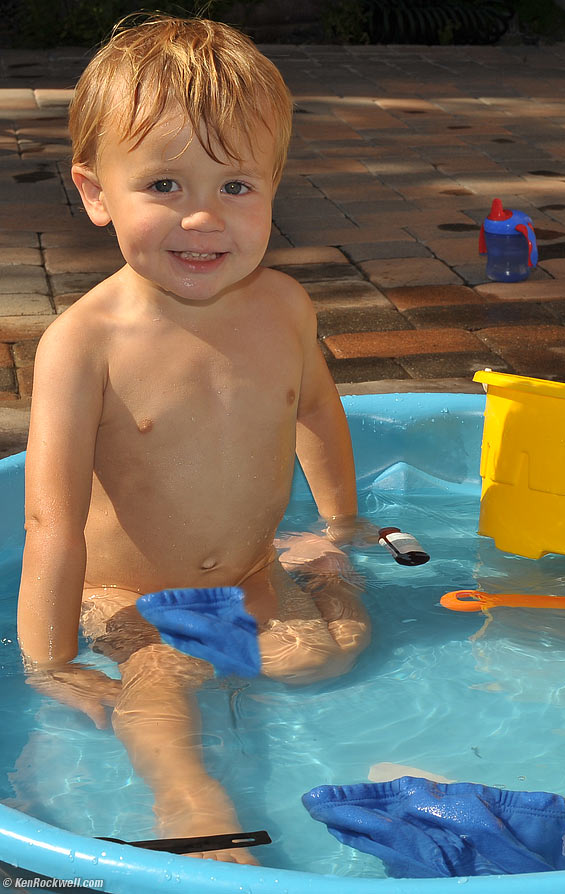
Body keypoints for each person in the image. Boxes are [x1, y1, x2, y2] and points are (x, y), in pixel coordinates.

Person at [16, 15, 371, 864]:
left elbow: (317, 411)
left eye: (237, 188)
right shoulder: (84, 343)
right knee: (161, 690)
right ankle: (195, 812)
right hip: (129, 602)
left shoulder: (285, 308)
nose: (203, 218)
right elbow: (48, 524)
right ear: (97, 193)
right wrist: (53, 662)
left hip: (247, 572)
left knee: (328, 658)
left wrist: (339, 533)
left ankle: (316, 605)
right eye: (165, 186)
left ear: (276, 187)